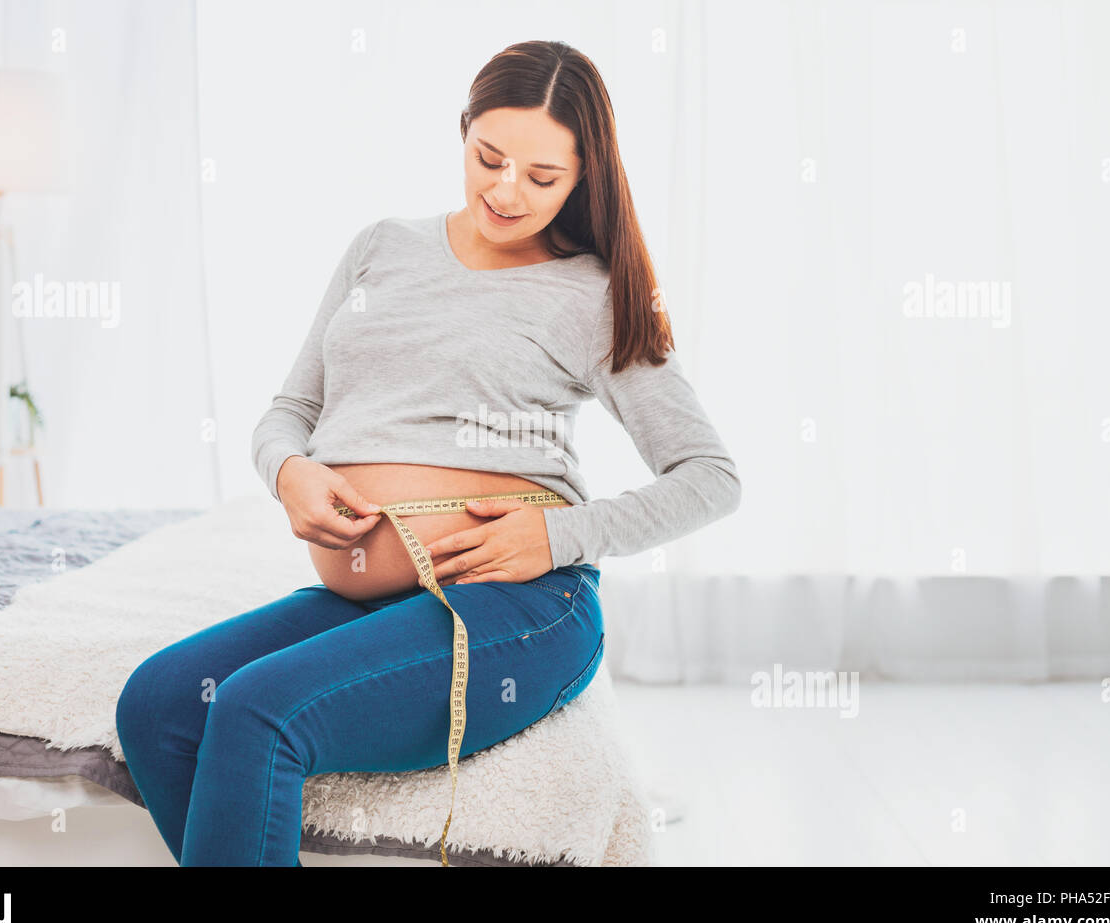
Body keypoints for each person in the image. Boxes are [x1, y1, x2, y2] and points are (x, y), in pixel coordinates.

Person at [115, 39, 741, 867]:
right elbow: (290, 411)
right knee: (157, 701)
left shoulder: (593, 293)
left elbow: (710, 478)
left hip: (518, 604)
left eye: (543, 177)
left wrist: (553, 538)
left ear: (584, 175)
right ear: (464, 132)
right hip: (375, 599)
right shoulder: (382, 247)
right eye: (490, 158)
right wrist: (289, 472)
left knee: (257, 710)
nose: (507, 191)